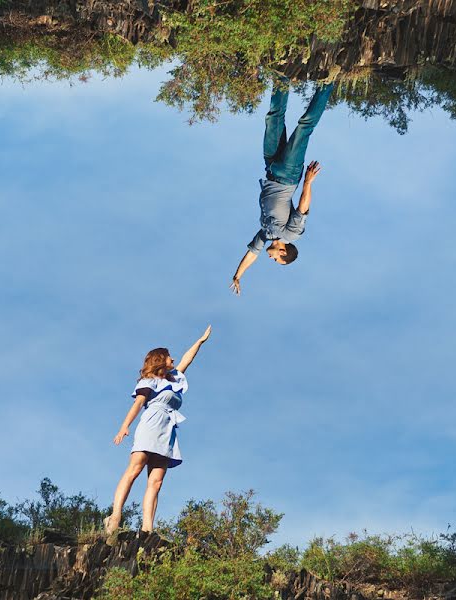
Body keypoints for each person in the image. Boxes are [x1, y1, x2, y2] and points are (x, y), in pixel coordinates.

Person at [230, 77, 335, 295]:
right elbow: (302, 209)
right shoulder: (291, 235)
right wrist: (308, 182)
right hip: (288, 175)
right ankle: (329, 81)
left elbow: (252, 254)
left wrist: (238, 275)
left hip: (271, 168)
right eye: (277, 260)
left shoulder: (265, 235)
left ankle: (282, 74)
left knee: (273, 118)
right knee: (304, 126)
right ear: (283, 252)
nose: (271, 258)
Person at [104, 325, 212, 535]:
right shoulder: (150, 381)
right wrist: (124, 427)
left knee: (156, 481)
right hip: (151, 423)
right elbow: (138, 404)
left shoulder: (176, 378)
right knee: (134, 470)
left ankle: (147, 529)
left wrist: (200, 341)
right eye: (169, 356)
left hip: (168, 430)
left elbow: (187, 360)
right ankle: (115, 516)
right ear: (160, 360)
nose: (173, 358)